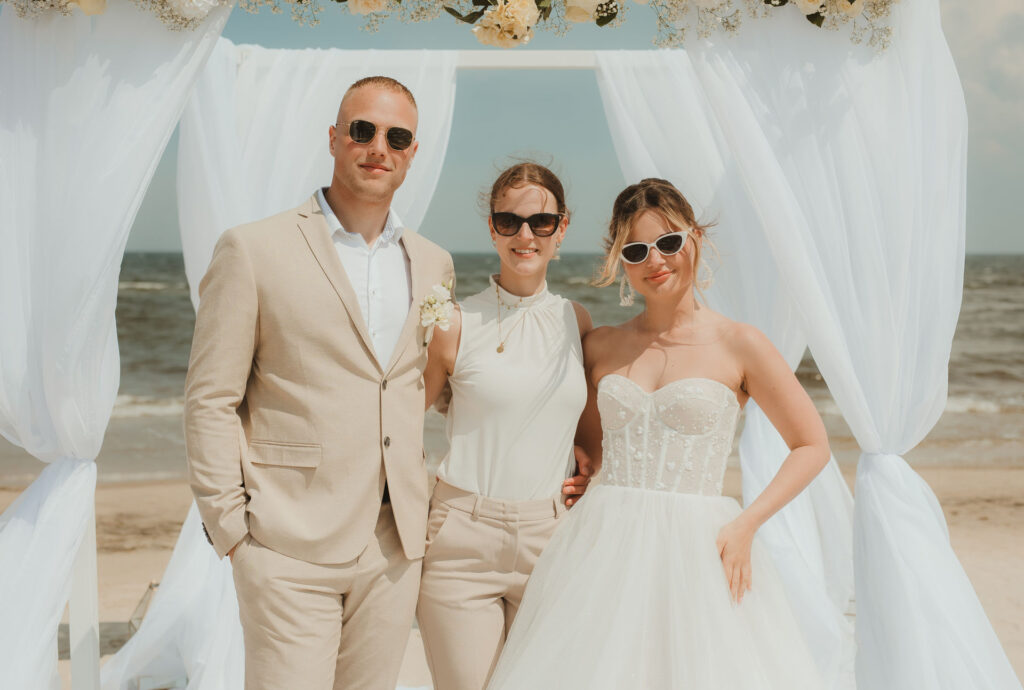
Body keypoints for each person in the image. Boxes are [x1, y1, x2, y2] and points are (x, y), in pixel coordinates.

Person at [487, 178, 828, 689]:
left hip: (700, 546)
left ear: (695, 238)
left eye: (668, 242)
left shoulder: (741, 344)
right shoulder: (601, 346)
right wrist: (578, 470)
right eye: (636, 250)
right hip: (602, 545)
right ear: (620, 260)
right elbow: (586, 448)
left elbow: (812, 446)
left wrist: (747, 524)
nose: (655, 260)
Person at [183, 76, 454, 690]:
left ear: (413, 152)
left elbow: (422, 384)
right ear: (334, 138)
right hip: (285, 543)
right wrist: (233, 532)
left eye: (397, 136)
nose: (377, 146)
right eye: (362, 130)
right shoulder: (252, 249)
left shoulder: (434, 262)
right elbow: (210, 397)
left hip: (394, 545)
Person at [416, 162, 594, 690]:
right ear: (492, 228)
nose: (525, 235)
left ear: (561, 229)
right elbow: (398, 427)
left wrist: (592, 464)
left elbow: (584, 429)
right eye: (509, 221)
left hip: (552, 538)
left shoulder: (577, 322)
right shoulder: (453, 323)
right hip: (461, 541)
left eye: (541, 223)